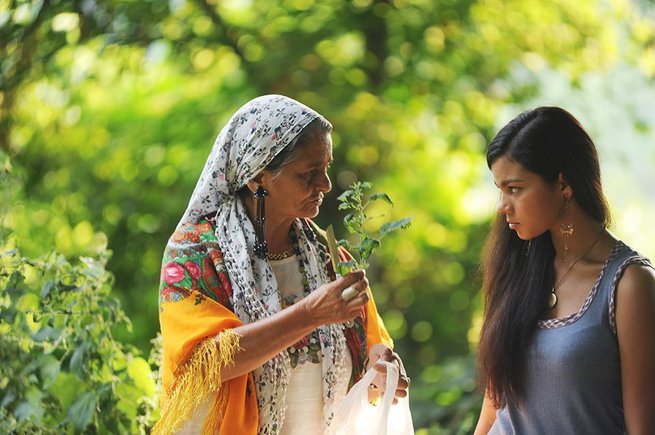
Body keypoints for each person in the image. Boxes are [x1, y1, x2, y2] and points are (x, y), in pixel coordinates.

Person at [153, 94, 409, 434]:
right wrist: (308, 315)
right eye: (309, 173)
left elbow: (372, 343)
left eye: (327, 168)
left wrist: (380, 370)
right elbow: (201, 365)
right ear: (258, 177)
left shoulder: (330, 256)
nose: (326, 185)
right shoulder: (196, 254)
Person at [474, 106, 655, 434]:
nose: (502, 206)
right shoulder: (517, 270)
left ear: (563, 183)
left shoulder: (629, 285)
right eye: (500, 189)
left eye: (514, 189)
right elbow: (492, 410)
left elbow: (643, 426)